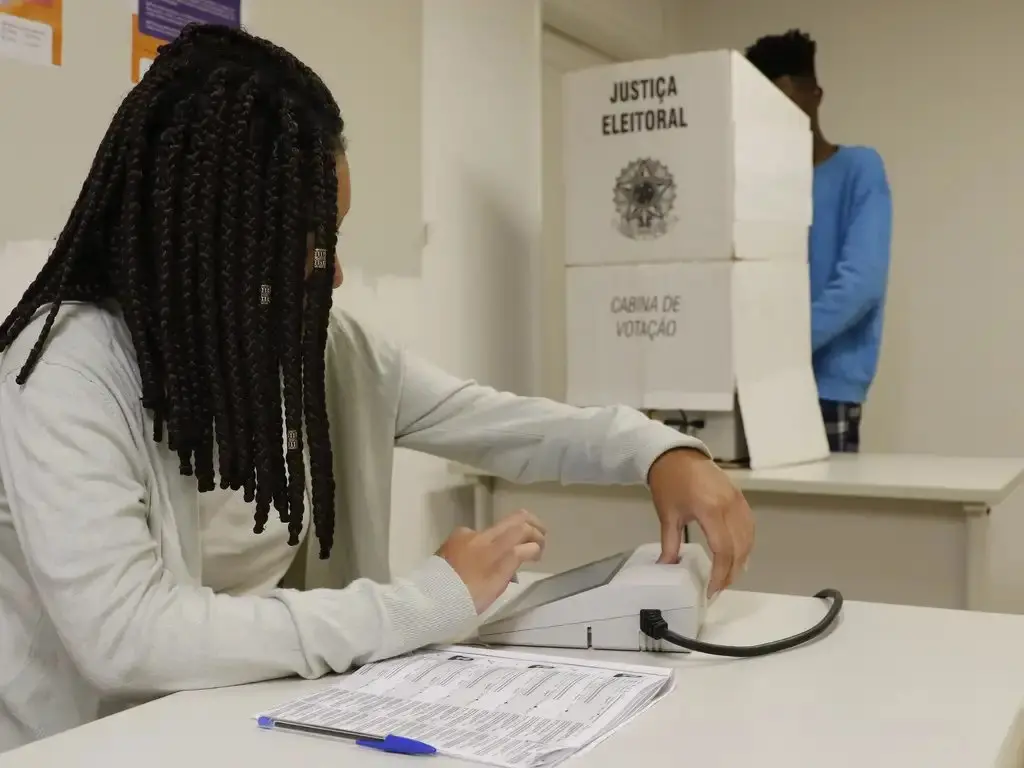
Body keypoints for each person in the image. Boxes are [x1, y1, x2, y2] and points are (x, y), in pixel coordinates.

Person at [0, 25, 753, 753]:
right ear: (220, 236)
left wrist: (658, 452)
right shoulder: (66, 369)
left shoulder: (317, 350)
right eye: (313, 242)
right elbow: (130, 639)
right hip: (83, 746)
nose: (333, 273)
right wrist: (427, 598)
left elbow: (501, 422)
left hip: (231, 727)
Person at [745, 29, 893, 453]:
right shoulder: (758, 185)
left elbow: (861, 283)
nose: (777, 111)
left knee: (822, 518)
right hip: (755, 386)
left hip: (827, 387)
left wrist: (777, 348)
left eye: (786, 96)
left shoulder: (859, 168)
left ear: (816, 94)